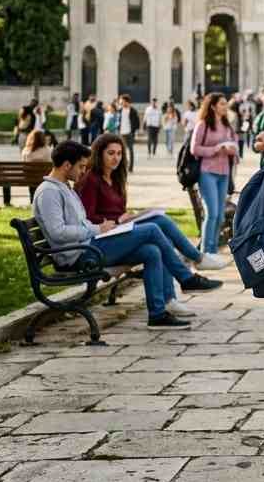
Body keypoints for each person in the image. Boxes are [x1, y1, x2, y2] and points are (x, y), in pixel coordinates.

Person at [34, 141, 222, 331]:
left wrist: (102, 227)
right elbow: (58, 232)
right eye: (81, 166)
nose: (83, 171)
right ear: (67, 165)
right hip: (79, 254)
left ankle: (157, 315)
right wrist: (97, 229)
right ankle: (186, 278)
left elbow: (81, 223)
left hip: (89, 245)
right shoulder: (49, 192)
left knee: (151, 251)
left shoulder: (64, 188)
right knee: (152, 229)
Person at [77, 132, 228, 318]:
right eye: (110, 153)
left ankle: (166, 303)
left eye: (119, 153)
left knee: (155, 248)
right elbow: (87, 217)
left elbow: (114, 211)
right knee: (157, 225)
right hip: (100, 243)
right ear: (99, 154)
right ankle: (193, 267)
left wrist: (127, 216)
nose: (116, 158)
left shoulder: (116, 178)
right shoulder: (91, 180)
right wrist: (115, 220)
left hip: (118, 233)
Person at [190, 93, 237, 256]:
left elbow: (235, 145)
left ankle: (213, 250)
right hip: (207, 172)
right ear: (213, 106)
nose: (225, 106)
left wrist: (232, 149)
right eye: (222, 104)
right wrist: (215, 149)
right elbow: (194, 149)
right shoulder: (202, 125)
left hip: (224, 173)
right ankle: (205, 252)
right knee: (212, 214)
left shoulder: (227, 126)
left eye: (226, 103)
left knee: (220, 216)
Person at [117, 95, 140, 173]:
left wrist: (134, 131)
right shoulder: (120, 110)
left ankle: (130, 167)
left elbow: (137, 122)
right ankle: (123, 166)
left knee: (130, 150)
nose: (121, 103)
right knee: (122, 151)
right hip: (121, 133)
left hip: (129, 133)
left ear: (127, 102)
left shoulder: (133, 111)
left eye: (123, 101)